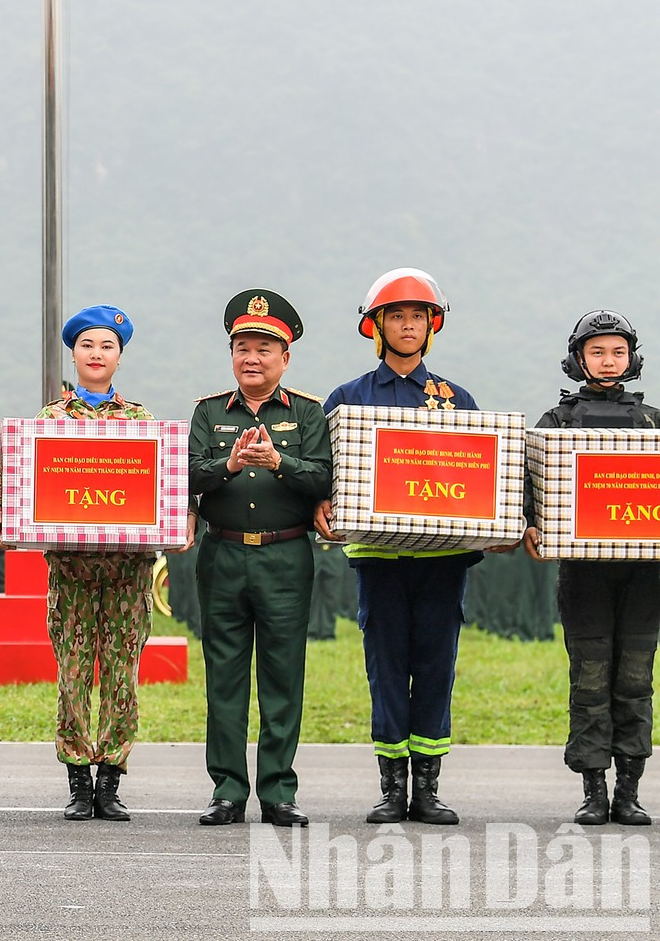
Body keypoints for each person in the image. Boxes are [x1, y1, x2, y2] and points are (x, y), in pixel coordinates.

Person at [317, 269, 478, 826]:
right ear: (377, 326)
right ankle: (391, 788)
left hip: (442, 561)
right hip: (379, 561)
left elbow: (481, 478)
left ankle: (428, 789)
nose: (407, 325)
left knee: (436, 666)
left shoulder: (457, 399)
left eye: (418, 316)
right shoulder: (347, 399)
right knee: (385, 668)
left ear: (432, 326)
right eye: (396, 316)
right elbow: (324, 476)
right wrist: (322, 506)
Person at [189, 290, 331, 828]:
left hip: (286, 555)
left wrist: (280, 461)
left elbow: (323, 476)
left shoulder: (308, 412)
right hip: (222, 554)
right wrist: (226, 465)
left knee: (282, 675)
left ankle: (277, 791)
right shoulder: (207, 411)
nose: (252, 357)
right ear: (232, 354)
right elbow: (188, 472)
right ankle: (227, 789)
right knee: (223, 676)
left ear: (285, 356)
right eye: (243, 346)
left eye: (264, 348)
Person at [519, 310, 660, 826]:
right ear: (578, 359)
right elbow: (529, 485)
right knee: (591, 677)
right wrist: (531, 524)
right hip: (584, 575)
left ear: (633, 359)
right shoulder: (556, 423)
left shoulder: (654, 423)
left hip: (646, 577)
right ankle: (593, 790)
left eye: (618, 352)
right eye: (597, 351)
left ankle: (629, 790)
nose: (608, 361)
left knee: (635, 678)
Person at [38, 305, 158, 823]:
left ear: (120, 358)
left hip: (128, 574)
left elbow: (159, 490)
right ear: (74, 353)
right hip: (71, 573)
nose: (96, 354)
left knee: (121, 676)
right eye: (87, 345)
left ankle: (110, 778)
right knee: (72, 674)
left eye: (107, 346)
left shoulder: (142, 422)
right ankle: (77, 782)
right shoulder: (50, 422)